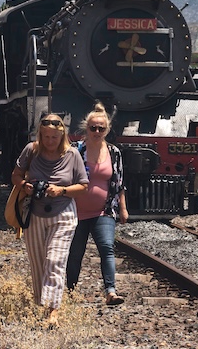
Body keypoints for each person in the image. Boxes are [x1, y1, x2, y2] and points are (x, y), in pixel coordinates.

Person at [11, 114, 88, 328]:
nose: (49, 141)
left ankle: (53, 311)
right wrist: (24, 185)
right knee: (38, 263)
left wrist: (61, 190)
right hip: (35, 214)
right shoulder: (31, 150)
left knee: (55, 260)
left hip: (63, 213)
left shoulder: (72, 155)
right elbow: (15, 175)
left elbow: (83, 186)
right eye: (45, 137)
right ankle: (42, 305)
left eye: (53, 137)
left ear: (61, 135)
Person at [66, 103, 129, 306]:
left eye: (101, 128)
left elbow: (119, 182)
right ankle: (69, 291)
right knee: (75, 253)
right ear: (86, 128)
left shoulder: (114, 152)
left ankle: (110, 291)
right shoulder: (76, 150)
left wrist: (123, 208)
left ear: (107, 130)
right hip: (76, 211)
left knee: (107, 248)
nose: (97, 132)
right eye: (93, 128)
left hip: (104, 210)